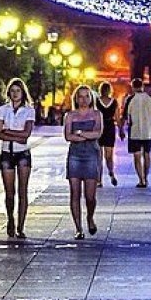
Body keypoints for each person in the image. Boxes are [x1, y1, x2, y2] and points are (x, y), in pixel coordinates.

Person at [0, 78, 36, 238]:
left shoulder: (29, 110)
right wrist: (14, 134)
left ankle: (21, 226)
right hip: (6, 153)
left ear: (23, 92)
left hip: (23, 153)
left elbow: (26, 135)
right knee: (9, 192)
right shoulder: (3, 109)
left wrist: (8, 132)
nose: (15, 94)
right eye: (12, 91)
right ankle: (11, 218)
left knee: (23, 191)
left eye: (18, 90)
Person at [64, 84, 104, 239]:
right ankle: (78, 228)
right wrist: (87, 134)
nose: (84, 99)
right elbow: (68, 136)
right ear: (76, 98)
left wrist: (80, 133)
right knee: (75, 193)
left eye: (87, 96)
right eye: (80, 96)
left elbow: (98, 133)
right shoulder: (70, 115)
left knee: (90, 196)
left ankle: (90, 217)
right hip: (75, 155)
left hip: (91, 155)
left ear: (91, 98)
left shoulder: (96, 114)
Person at [123, 77, 151, 188]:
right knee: (147, 154)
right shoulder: (150, 98)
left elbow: (125, 115)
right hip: (148, 131)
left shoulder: (130, 99)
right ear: (142, 86)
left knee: (137, 155)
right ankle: (146, 177)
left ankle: (141, 179)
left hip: (135, 131)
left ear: (133, 87)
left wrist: (121, 129)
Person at [96, 81, 120, 187]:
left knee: (98, 156)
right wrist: (121, 130)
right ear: (109, 90)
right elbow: (117, 117)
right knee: (109, 155)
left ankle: (99, 180)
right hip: (110, 127)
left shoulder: (96, 102)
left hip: (99, 127)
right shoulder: (114, 102)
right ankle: (111, 172)